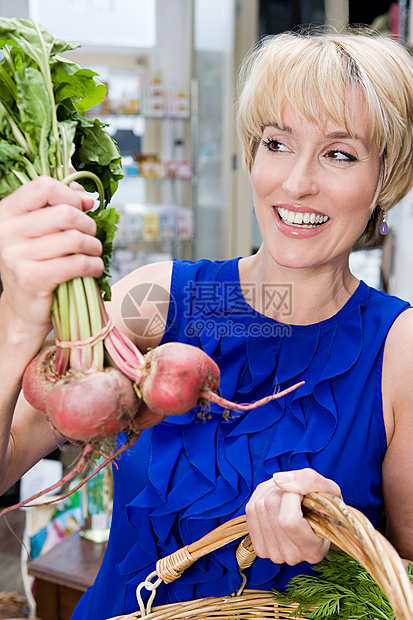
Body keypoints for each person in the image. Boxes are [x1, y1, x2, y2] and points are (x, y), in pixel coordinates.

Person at [1, 27, 413, 620]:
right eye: (276, 143)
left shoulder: (397, 351)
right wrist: (16, 317)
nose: (296, 182)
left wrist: (340, 535)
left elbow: (404, 578)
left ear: (385, 181)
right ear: (251, 153)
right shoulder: (165, 300)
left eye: (339, 153)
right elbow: (9, 457)